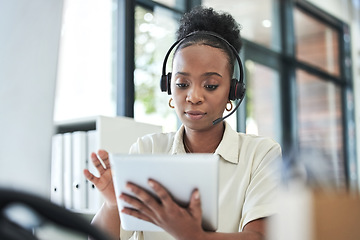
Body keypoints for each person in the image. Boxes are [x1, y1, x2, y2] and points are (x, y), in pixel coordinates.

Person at [83, 6, 281, 240]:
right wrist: (113, 206)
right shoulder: (147, 150)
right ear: (168, 87)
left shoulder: (260, 155)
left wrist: (196, 236)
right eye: (182, 84)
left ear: (233, 91)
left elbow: (259, 237)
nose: (194, 96)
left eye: (210, 85)